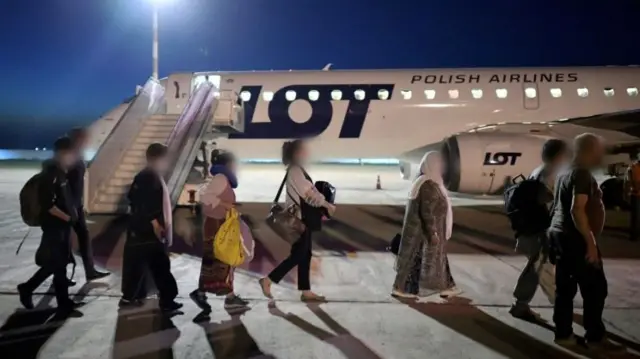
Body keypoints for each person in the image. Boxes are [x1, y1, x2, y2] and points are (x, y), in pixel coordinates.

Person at [548, 133, 622, 353]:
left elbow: (556, 206)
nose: (601, 155)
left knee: (565, 290)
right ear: (589, 151)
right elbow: (576, 208)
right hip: (575, 238)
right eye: (598, 150)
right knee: (596, 289)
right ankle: (595, 338)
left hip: (560, 235)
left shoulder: (565, 172)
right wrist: (590, 242)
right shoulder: (580, 174)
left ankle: (563, 335)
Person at [258, 140, 336, 302]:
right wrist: (327, 204)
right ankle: (269, 280)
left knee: (304, 254)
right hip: (298, 220)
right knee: (298, 255)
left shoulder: (296, 170)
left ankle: (305, 291)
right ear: (296, 154)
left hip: (303, 219)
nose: (306, 153)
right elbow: (309, 193)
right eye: (303, 151)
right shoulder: (295, 171)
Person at [17, 137, 83, 314]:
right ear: (62, 153)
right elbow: (48, 205)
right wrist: (68, 219)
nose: (74, 157)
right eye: (71, 153)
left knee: (59, 265)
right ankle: (27, 288)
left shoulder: (61, 172)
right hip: (55, 227)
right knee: (56, 264)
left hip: (62, 227)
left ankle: (64, 303)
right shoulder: (51, 174)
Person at [510, 139, 569, 320]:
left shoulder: (538, 170)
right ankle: (560, 306)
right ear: (559, 155)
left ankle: (521, 305)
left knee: (537, 268)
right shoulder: (553, 173)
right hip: (541, 230)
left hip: (529, 228)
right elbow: (550, 204)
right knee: (541, 268)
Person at [120, 143, 182, 312]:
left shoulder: (145, 175)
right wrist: (156, 224)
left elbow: (133, 198)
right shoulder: (150, 177)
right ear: (159, 158)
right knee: (159, 265)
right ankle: (166, 300)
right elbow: (144, 203)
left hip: (139, 230)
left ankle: (132, 296)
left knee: (141, 265)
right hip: (148, 231)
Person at [190, 151, 254, 312]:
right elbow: (204, 196)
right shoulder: (221, 178)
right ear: (228, 165)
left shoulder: (221, 179)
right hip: (216, 226)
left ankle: (213, 295)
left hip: (220, 224)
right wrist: (224, 205)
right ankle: (222, 297)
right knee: (223, 260)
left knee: (219, 262)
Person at [391, 151, 460, 299]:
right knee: (414, 263)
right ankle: (401, 289)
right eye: (439, 164)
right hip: (422, 234)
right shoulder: (427, 185)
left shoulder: (425, 181)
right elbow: (427, 212)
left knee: (434, 262)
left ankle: (447, 287)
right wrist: (433, 233)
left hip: (423, 233)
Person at [66, 127, 110, 285]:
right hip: (68, 206)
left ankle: (89, 271)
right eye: (84, 138)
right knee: (64, 241)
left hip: (76, 205)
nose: (87, 140)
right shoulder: (69, 157)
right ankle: (54, 277)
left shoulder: (77, 155)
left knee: (82, 238)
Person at [624, 152, 640, 241]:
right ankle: (634, 235)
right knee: (636, 217)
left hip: (636, 194)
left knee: (636, 216)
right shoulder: (633, 168)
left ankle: (634, 235)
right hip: (636, 194)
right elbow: (628, 181)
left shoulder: (632, 168)